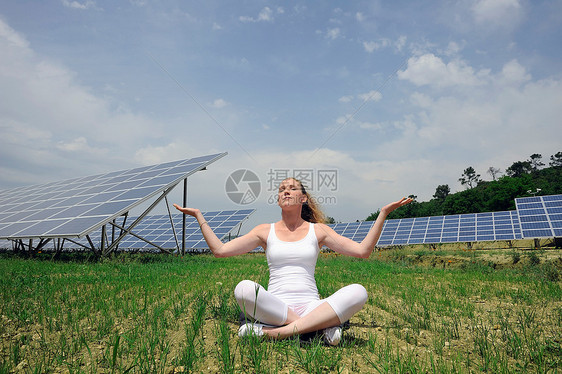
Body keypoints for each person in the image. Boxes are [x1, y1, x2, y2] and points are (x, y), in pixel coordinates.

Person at [174, 178, 412, 345]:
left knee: (359, 292)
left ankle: (271, 334)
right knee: (243, 289)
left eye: (292, 188)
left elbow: (363, 251)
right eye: (281, 189)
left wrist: (382, 214)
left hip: (311, 305)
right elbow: (220, 250)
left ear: (303, 198)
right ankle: (319, 327)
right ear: (278, 200)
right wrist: (199, 216)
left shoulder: (318, 231)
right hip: (276, 307)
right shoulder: (263, 231)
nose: (285, 191)